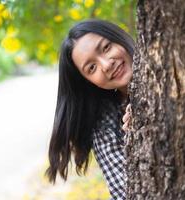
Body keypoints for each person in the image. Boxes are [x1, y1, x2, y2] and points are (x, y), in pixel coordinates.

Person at [45, 19, 134, 200]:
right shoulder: (105, 124)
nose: (106, 64)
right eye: (92, 67)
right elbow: (128, 193)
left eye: (106, 47)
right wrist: (139, 141)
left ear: (119, 38)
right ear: (90, 82)